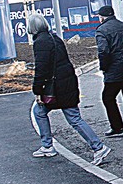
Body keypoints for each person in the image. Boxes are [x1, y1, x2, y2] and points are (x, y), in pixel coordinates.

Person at [27, 12, 111, 166]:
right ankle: (47, 146)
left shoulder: (40, 42)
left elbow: (41, 68)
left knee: (68, 117)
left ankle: (98, 147)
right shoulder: (54, 38)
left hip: (57, 88)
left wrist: (37, 90)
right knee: (45, 112)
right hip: (67, 83)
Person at [95, 5, 123, 137]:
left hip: (114, 69)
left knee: (108, 97)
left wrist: (104, 67)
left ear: (102, 17)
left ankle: (117, 127)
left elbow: (103, 51)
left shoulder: (101, 31)